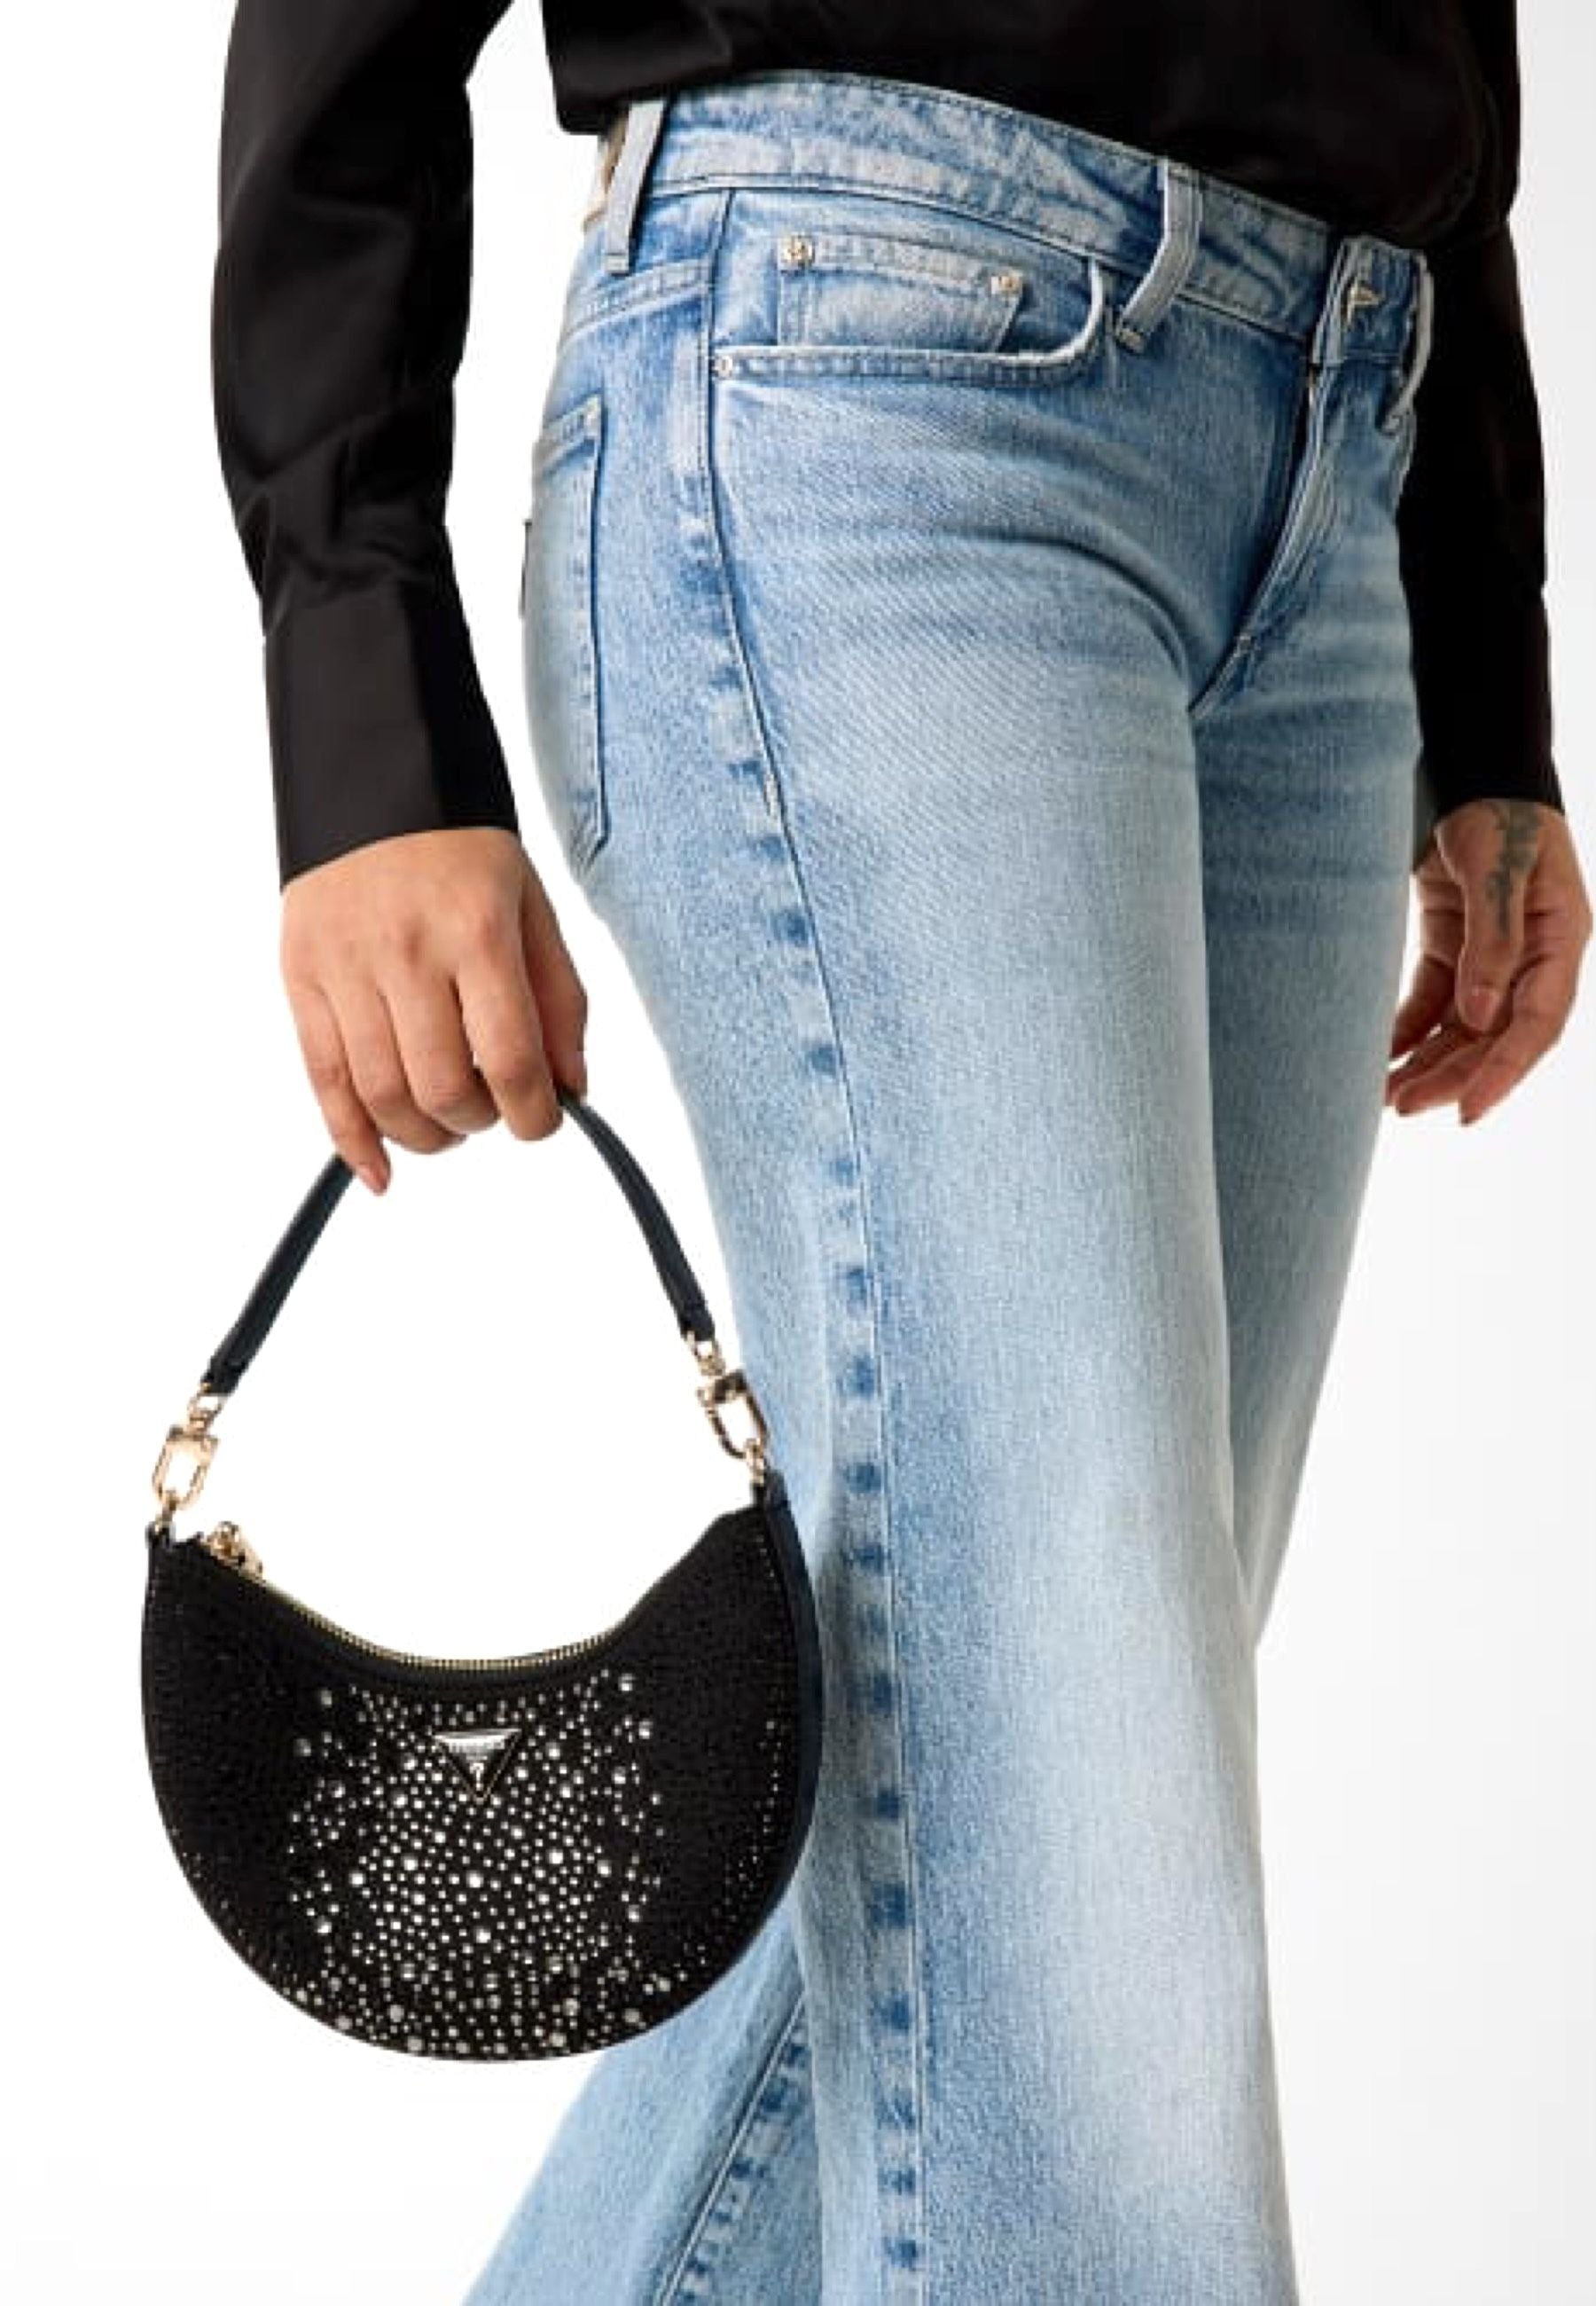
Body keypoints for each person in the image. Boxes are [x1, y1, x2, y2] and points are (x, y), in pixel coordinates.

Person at [208, 6, 1590, 2299]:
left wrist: (1489, 681)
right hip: (873, 370)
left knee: (1000, 1791)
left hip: (1338, 442)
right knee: (1065, 1814)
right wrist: (360, 696)